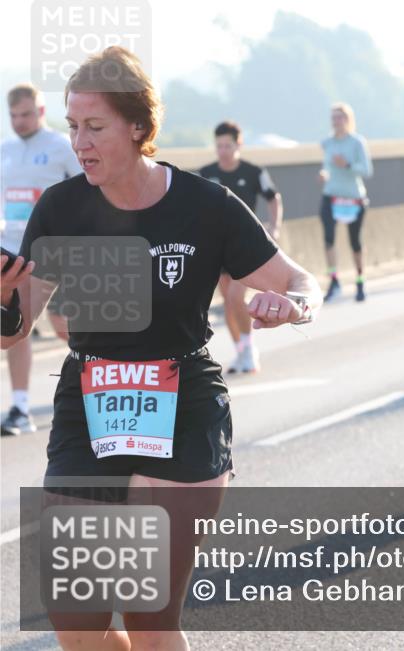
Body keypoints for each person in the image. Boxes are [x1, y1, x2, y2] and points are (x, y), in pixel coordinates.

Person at [0, 46, 321, 651]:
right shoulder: (61, 208)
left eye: (95, 127)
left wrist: (294, 307)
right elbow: (14, 329)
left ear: (137, 126)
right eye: (72, 126)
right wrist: (2, 302)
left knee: (148, 615)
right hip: (90, 398)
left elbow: (302, 281)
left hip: (183, 402)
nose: (80, 143)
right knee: (77, 620)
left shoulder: (205, 205)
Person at [1, 83, 81, 436]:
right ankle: (20, 408)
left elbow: (90, 190)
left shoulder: (63, 147)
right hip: (14, 252)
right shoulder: (4, 150)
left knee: (64, 325)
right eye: (13, 116)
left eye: (26, 114)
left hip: (58, 252)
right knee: (13, 326)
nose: (19, 121)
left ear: (41, 112)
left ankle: (105, 373)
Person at [198, 121, 283, 374]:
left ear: (238, 145)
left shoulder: (254, 172)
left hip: (245, 245)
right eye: (219, 146)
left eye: (228, 145)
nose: (223, 151)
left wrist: (275, 227)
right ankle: (240, 351)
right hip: (216, 247)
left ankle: (249, 350)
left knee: (237, 297)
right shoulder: (206, 173)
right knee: (228, 302)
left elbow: (274, 198)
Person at [318, 102, 374, 303]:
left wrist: (347, 165)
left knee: (355, 241)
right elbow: (326, 166)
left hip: (353, 198)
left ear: (348, 120)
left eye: (340, 117)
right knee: (328, 240)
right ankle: (334, 280)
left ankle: (360, 280)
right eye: (333, 117)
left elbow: (367, 170)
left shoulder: (357, 142)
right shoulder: (327, 143)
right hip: (331, 195)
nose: (336, 121)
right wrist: (323, 174)